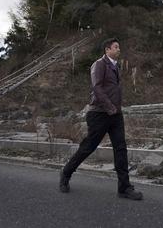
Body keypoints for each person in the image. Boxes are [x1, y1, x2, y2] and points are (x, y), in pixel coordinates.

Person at [59, 38, 143, 200]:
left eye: (119, 47)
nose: (119, 49)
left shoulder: (116, 66)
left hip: (115, 115)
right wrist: (110, 107)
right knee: (88, 147)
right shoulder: (99, 64)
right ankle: (66, 173)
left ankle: (124, 188)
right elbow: (96, 87)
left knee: (120, 148)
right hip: (99, 113)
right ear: (107, 50)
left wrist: (115, 109)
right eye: (116, 47)